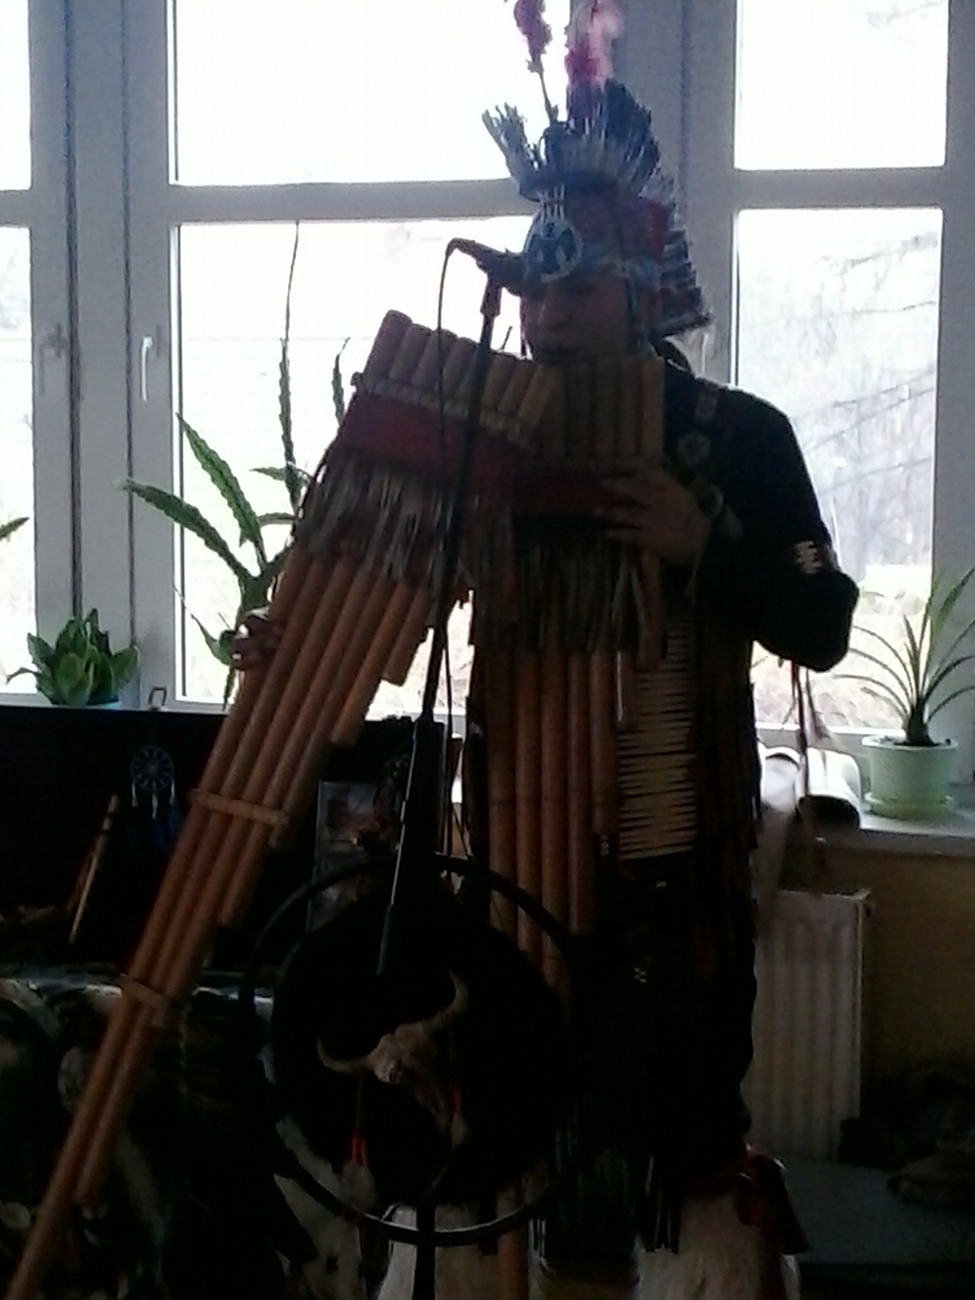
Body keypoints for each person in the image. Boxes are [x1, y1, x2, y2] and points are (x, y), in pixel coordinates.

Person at [232, 6, 858, 1296]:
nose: (547, 319)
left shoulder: (739, 438)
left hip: (671, 871)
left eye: (576, 288)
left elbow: (826, 622)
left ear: (643, 288)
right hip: (517, 856)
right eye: (533, 290)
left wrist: (707, 547)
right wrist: (294, 648)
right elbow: (384, 613)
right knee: (512, 1152)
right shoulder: (491, 432)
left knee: (674, 1161)